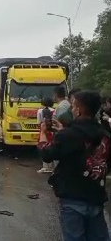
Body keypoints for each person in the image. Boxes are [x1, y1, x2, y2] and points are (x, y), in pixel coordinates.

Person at [38, 90, 111, 241]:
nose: (72, 109)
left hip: (73, 199)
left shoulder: (69, 135)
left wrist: (43, 133)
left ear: (79, 110)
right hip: (96, 197)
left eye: (73, 106)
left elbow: (47, 154)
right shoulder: (105, 135)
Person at [37, 97, 55, 173]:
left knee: (43, 147)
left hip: (44, 130)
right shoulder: (54, 110)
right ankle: (52, 166)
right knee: (52, 146)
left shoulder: (40, 111)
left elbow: (39, 123)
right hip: (52, 131)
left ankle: (45, 167)